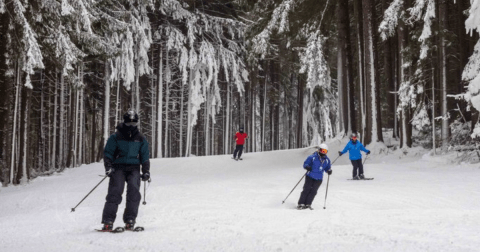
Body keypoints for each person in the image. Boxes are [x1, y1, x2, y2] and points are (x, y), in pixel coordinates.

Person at [100, 110, 150, 231]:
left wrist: (146, 171)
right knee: (115, 192)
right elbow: (108, 153)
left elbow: (144, 156)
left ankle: (130, 219)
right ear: (124, 122)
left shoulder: (140, 138)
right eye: (129, 124)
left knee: (134, 192)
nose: (131, 126)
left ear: (137, 124)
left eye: (133, 124)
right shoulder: (116, 136)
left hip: (134, 168)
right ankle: (108, 221)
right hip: (118, 167)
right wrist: (108, 167)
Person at [297, 144, 332, 210]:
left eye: (325, 151)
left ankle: (308, 204)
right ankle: (301, 203)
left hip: (319, 178)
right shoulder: (312, 157)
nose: (323, 152)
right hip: (310, 176)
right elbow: (305, 163)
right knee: (306, 189)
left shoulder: (327, 160)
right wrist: (307, 167)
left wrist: (329, 170)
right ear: (319, 150)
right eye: (322, 151)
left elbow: (327, 167)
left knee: (313, 191)